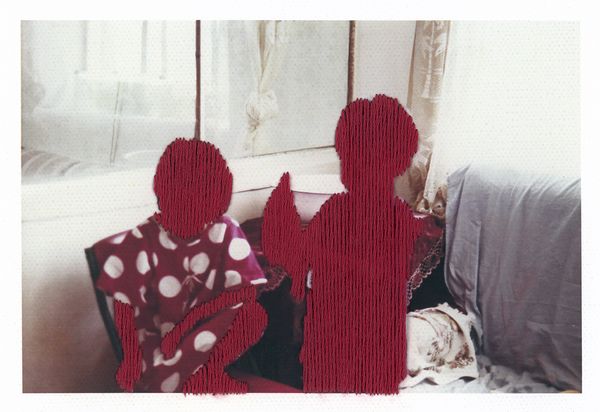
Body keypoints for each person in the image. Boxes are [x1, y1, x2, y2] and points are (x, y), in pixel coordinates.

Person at [262, 95, 423, 393]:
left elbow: (380, 277)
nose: (348, 169)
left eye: (361, 162)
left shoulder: (398, 218)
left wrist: (319, 256)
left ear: (394, 164)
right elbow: (303, 264)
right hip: (326, 338)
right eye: (346, 159)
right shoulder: (333, 209)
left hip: (373, 344)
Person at [91, 138, 267, 393]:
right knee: (156, 373)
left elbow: (245, 292)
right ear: (166, 195)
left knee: (252, 315)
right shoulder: (143, 239)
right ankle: (184, 382)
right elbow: (124, 306)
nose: (197, 221)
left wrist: (190, 322)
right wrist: (130, 361)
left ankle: (203, 376)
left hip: (204, 331)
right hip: (159, 343)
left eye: (205, 209)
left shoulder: (225, 229)